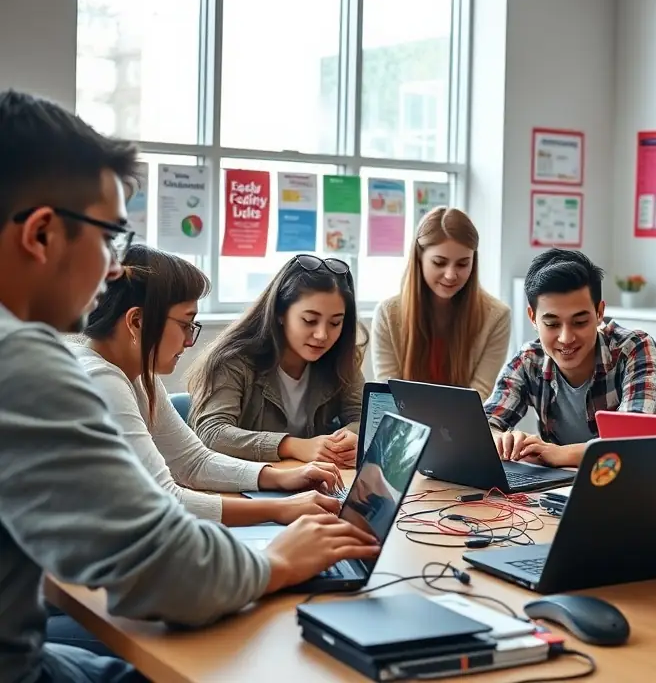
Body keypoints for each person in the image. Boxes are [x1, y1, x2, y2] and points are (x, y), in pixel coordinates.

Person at [0, 89, 379, 683]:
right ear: (42, 234)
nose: (117, 269)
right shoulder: (24, 362)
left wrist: (278, 495)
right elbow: (165, 571)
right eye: (108, 238)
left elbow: (186, 471)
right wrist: (280, 559)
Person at [72, 243, 349, 527]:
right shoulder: (100, 382)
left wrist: (279, 476)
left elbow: (193, 461)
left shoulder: (139, 376)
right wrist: (278, 509)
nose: (190, 340)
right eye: (185, 324)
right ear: (137, 321)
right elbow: (163, 501)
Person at [485, 249, 656, 468]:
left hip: (635, 482)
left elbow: (633, 440)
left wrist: (558, 454)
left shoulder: (633, 348)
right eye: (552, 324)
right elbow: (486, 423)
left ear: (599, 312)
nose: (566, 338)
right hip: (560, 489)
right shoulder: (529, 360)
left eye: (580, 322)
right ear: (533, 318)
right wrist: (500, 440)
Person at [187, 254, 366, 468]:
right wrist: (293, 446)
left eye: (335, 323)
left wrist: (350, 437)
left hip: (310, 482)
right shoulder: (233, 361)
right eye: (309, 320)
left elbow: (364, 417)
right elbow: (212, 432)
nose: (322, 335)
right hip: (245, 486)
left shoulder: (340, 358)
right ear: (280, 313)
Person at [372, 206, 511, 400]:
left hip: (464, 426)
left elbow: (480, 396)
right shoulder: (388, 314)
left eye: (463, 264)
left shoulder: (496, 316)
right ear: (419, 259)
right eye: (439, 262)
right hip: (404, 426)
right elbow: (389, 395)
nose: (451, 275)